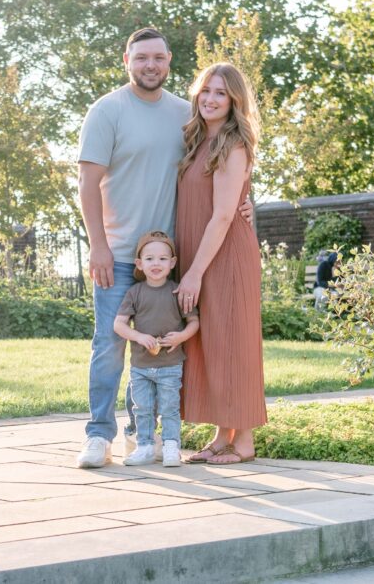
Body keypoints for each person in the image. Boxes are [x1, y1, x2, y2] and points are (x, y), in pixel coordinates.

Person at [75, 28, 252, 469]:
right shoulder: (107, 111)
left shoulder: (184, 115)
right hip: (118, 255)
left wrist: (247, 204)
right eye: (141, 58)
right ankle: (99, 436)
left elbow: (222, 174)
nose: (150, 65)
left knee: (162, 348)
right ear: (127, 60)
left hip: (170, 260)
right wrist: (97, 245)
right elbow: (87, 184)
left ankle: (145, 438)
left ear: (169, 61)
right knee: (110, 346)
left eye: (157, 57)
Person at [176, 62, 267, 465]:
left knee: (233, 343)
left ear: (234, 102)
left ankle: (244, 442)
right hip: (203, 253)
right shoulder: (197, 141)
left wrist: (194, 272)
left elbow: (225, 214)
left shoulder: (232, 144)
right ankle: (221, 435)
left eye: (220, 94)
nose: (210, 99)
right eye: (206, 91)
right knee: (212, 343)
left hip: (225, 257)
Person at [113, 231, 199, 467]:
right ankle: (145, 447)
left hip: (170, 365)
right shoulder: (135, 292)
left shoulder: (177, 291)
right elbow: (119, 324)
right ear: (139, 263)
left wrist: (180, 337)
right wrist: (139, 336)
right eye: (149, 259)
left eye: (163, 259)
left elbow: (194, 322)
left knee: (170, 408)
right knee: (143, 409)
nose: (156, 264)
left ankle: (172, 447)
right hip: (141, 366)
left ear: (172, 263)